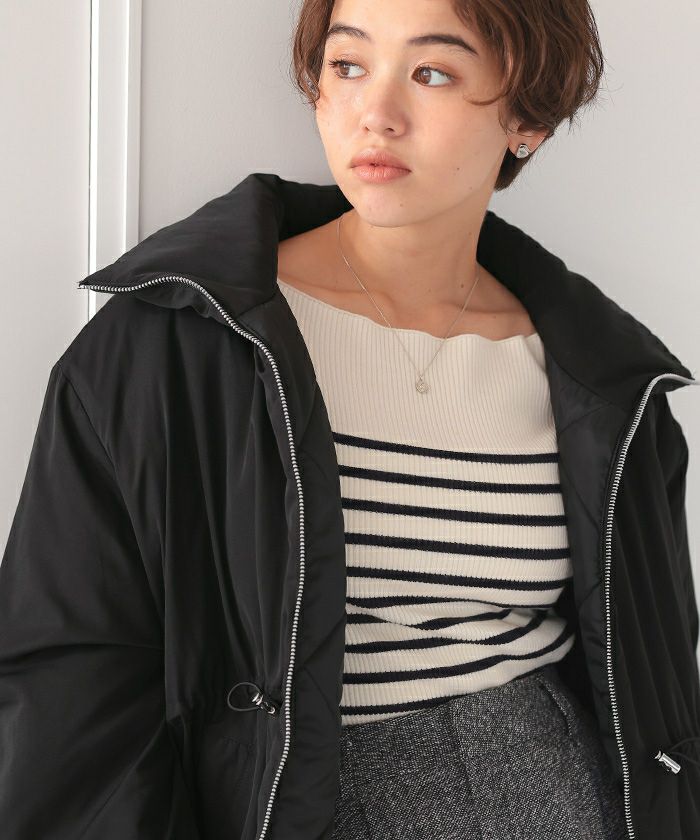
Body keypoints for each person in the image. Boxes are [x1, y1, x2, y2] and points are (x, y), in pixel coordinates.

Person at [1, 1, 698, 839]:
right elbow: (70, 681)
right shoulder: (178, 341)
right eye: (348, 65)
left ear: (528, 119)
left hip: (564, 797)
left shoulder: (609, 385)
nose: (378, 112)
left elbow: (654, 685)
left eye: (432, 72)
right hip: (304, 805)